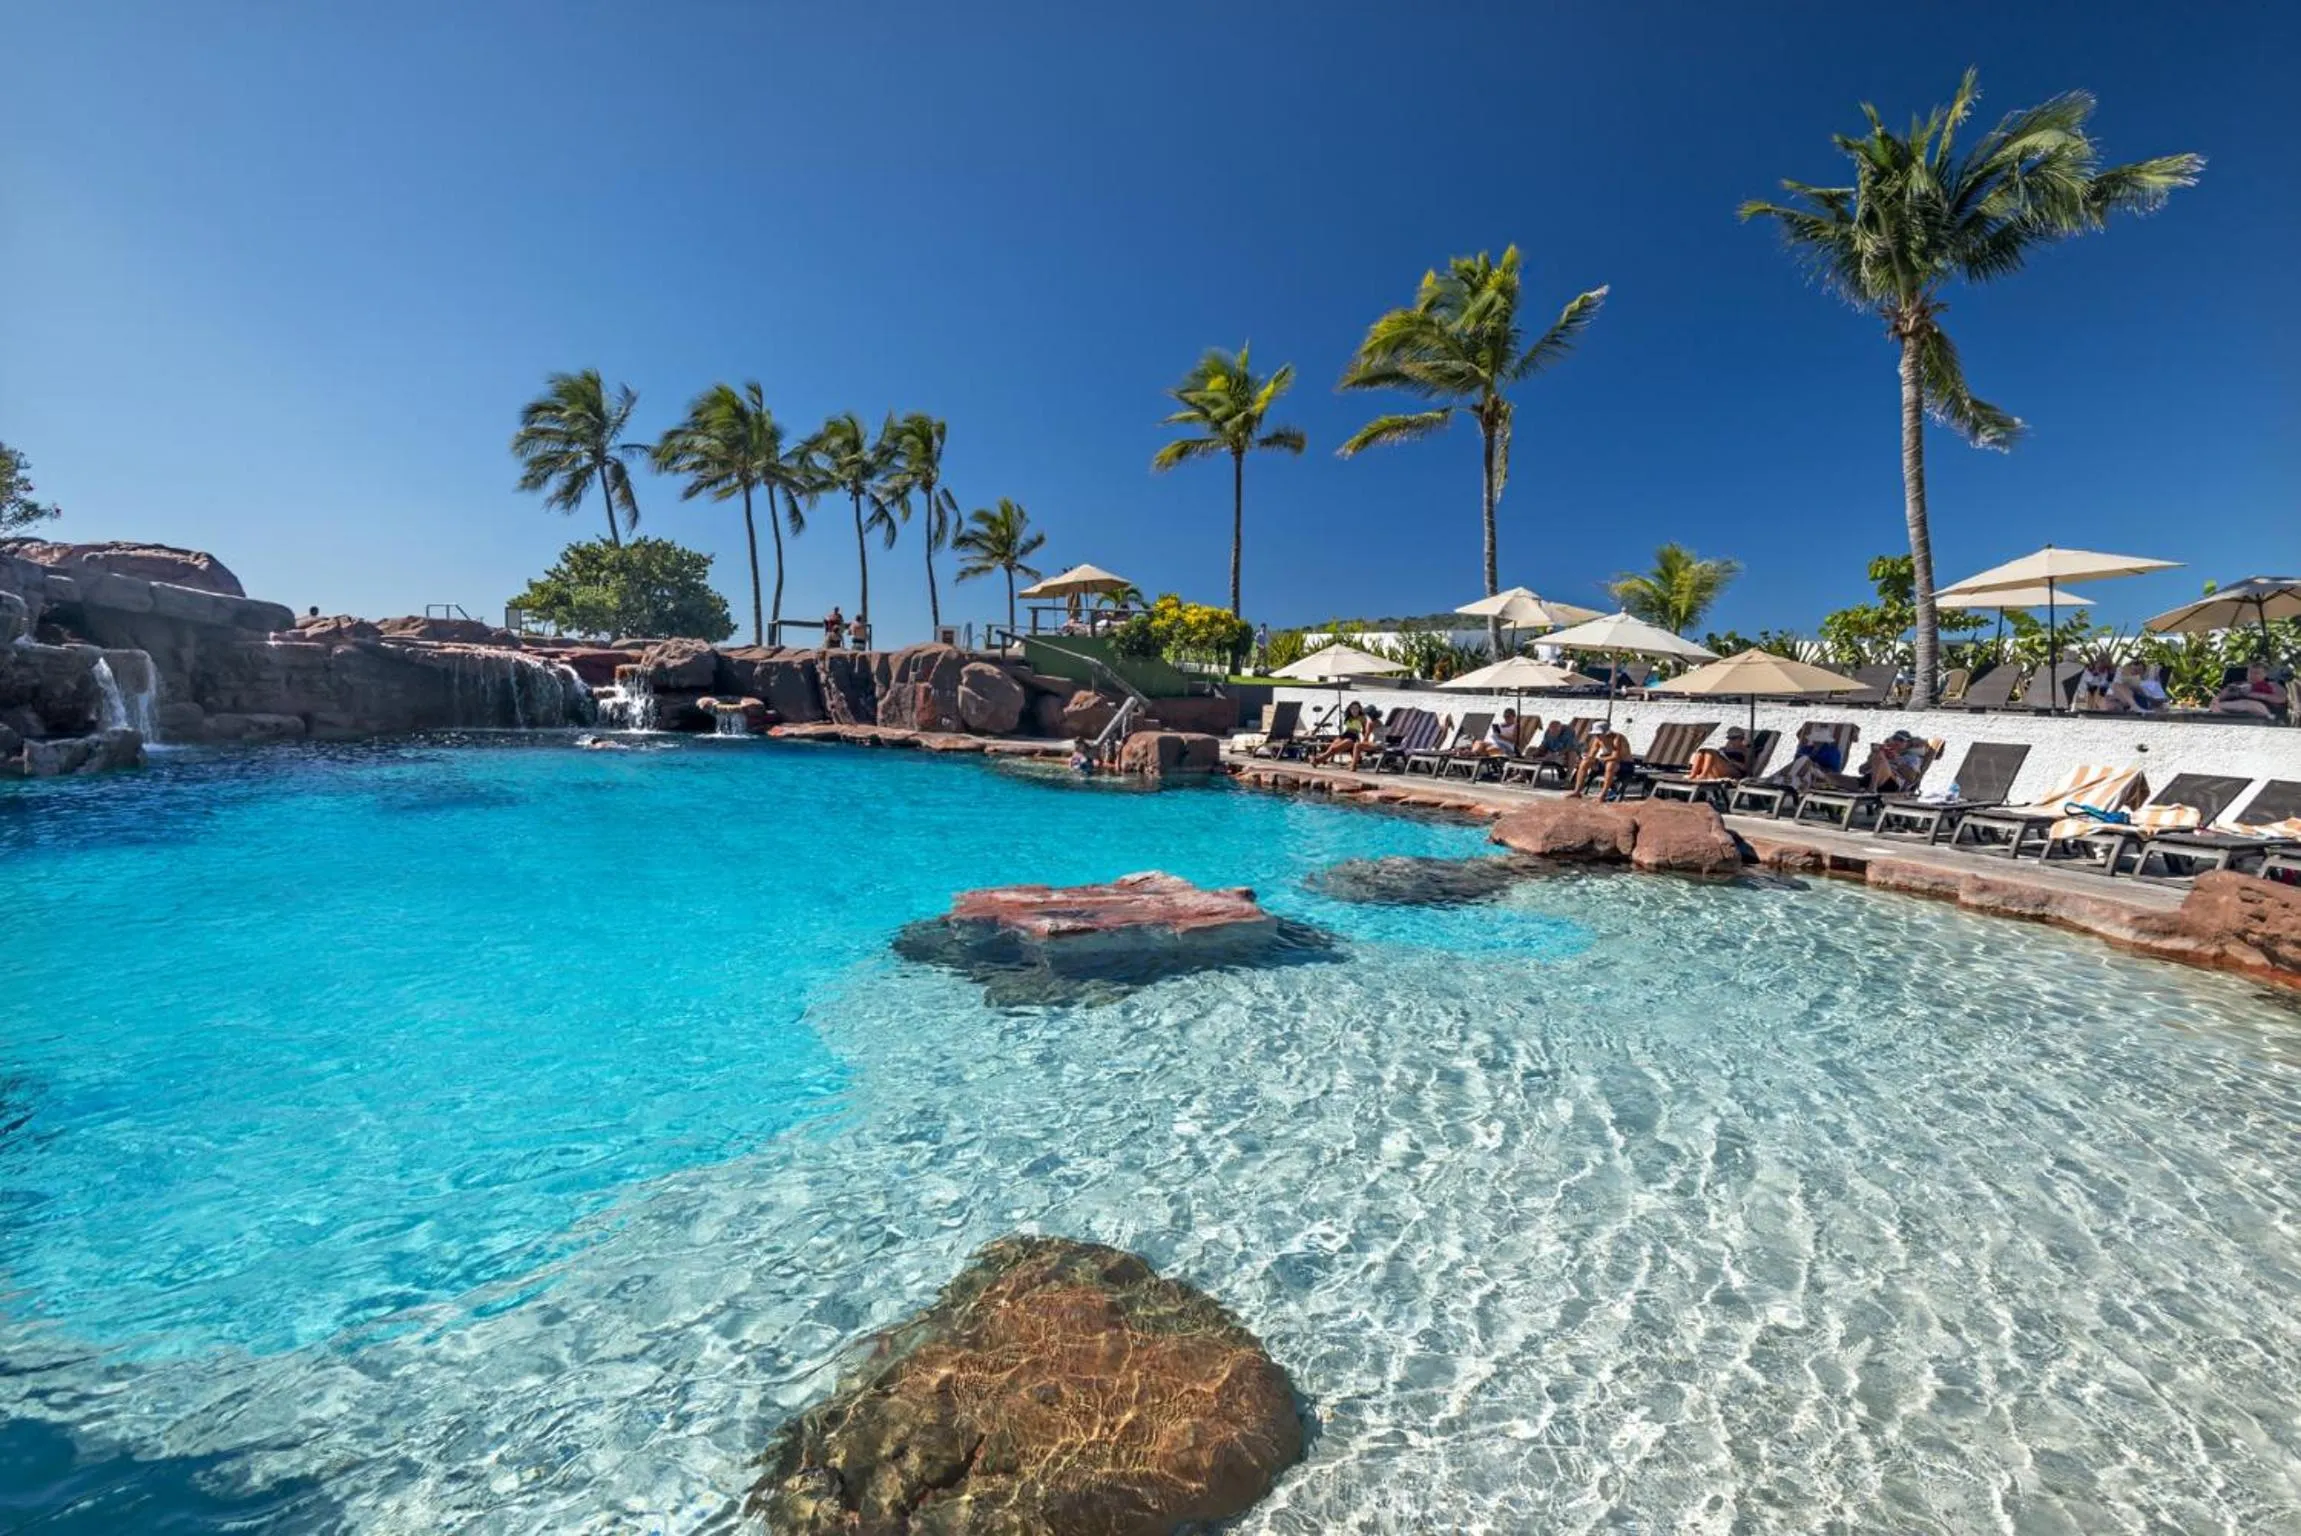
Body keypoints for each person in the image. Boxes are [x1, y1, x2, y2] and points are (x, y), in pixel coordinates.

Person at [1780, 723, 1849, 792]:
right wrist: (1810, 758)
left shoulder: (1832, 752)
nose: (1816, 742)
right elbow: (1796, 760)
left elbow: (1834, 771)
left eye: (1819, 740)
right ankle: (1785, 780)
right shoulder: (1806, 748)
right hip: (1802, 770)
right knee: (1803, 761)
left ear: (1825, 741)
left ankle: (1796, 785)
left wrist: (1817, 766)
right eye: (1815, 739)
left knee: (1805, 763)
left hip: (1823, 775)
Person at [1572, 724, 1633, 799]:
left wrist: (1599, 760)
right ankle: (1577, 791)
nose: (1597, 736)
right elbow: (1592, 754)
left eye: (1598, 734)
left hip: (1625, 764)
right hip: (1607, 762)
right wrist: (1587, 757)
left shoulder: (1617, 738)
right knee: (1585, 762)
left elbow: (1616, 756)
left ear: (1607, 732)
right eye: (1595, 734)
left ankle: (1603, 795)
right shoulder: (1598, 739)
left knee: (1610, 764)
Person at [1861, 729, 1929, 792]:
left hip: (1891, 783)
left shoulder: (1912, 758)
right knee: (1853, 781)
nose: (1897, 741)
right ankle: (1870, 787)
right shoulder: (1884, 752)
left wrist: (1897, 760)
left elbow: (1911, 778)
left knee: (1879, 755)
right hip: (1871, 779)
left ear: (1908, 744)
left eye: (1901, 740)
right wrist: (1872, 759)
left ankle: (1872, 788)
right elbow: (1861, 770)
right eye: (1895, 738)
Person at [1311, 701, 1373, 768]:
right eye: (1352, 708)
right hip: (1345, 735)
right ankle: (1320, 759)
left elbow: (1364, 731)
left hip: (1353, 737)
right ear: (1350, 709)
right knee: (1332, 747)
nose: (1354, 710)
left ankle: (1318, 760)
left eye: (1356, 708)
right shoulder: (1349, 716)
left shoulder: (1362, 718)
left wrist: (1365, 741)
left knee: (1334, 749)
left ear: (1359, 709)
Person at [2213, 662, 2284, 719]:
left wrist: (2256, 695)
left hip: (2260, 707)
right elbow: (2219, 697)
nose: (2252, 675)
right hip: (2233, 706)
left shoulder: (2273, 685)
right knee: (2216, 705)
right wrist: (2233, 692)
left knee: (2248, 704)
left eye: (2256, 673)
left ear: (2265, 674)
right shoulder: (2236, 684)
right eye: (2250, 672)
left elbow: (2281, 699)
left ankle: (2267, 717)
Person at [1686, 725, 1755, 782]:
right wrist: (1721, 752)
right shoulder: (1725, 748)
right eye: (1729, 738)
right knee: (1701, 750)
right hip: (1720, 768)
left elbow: (1747, 769)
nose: (1731, 741)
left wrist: (1734, 762)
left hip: (1735, 771)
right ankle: (1693, 774)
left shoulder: (1746, 750)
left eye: (1733, 738)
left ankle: (1704, 775)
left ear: (1741, 738)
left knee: (1710, 751)